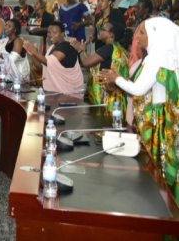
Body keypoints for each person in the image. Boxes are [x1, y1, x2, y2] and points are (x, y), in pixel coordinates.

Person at [101, 17, 178, 201]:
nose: (137, 38)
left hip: (157, 119)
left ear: (156, 35)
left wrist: (117, 79)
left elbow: (138, 89)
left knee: (156, 163)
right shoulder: (168, 55)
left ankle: (160, 203)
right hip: (164, 115)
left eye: (143, 33)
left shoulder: (156, 57)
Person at [71, 22, 130, 111]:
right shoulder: (120, 49)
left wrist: (80, 50)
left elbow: (86, 62)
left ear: (111, 35)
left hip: (106, 99)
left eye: (102, 29)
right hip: (118, 99)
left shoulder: (107, 49)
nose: (99, 31)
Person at [24, 21, 83, 93]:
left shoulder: (66, 46)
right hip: (56, 91)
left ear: (62, 34)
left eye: (54, 32)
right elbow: (41, 68)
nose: (50, 35)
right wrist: (32, 54)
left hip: (68, 92)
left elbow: (48, 62)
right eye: (49, 32)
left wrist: (34, 52)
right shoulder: (52, 48)